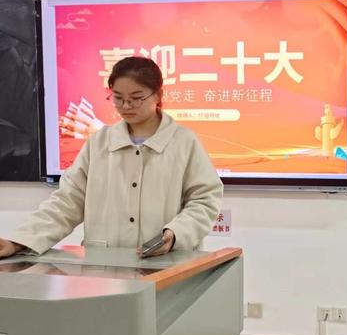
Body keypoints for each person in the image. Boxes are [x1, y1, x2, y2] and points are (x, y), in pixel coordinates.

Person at [0, 56, 223, 258]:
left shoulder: (183, 142)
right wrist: (20, 241)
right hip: (104, 265)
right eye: (118, 98)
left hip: (166, 265)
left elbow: (205, 199)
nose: (126, 106)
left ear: (158, 94)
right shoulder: (99, 143)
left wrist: (176, 234)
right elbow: (67, 202)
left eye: (136, 98)